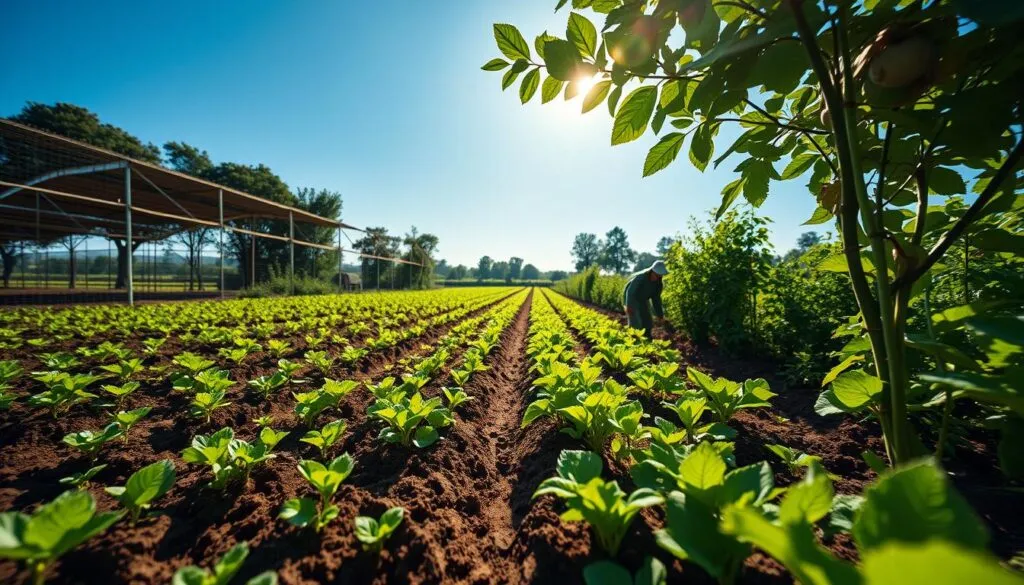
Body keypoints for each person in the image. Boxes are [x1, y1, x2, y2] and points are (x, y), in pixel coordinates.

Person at [623, 260, 668, 339]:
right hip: (631, 298)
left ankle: (647, 339)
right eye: (657, 275)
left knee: (647, 321)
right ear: (652, 272)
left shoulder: (658, 284)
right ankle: (633, 340)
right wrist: (628, 305)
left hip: (643, 300)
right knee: (636, 322)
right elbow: (630, 292)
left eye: (660, 276)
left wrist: (660, 316)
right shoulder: (641, 277)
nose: (658, 278)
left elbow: (656, 300)